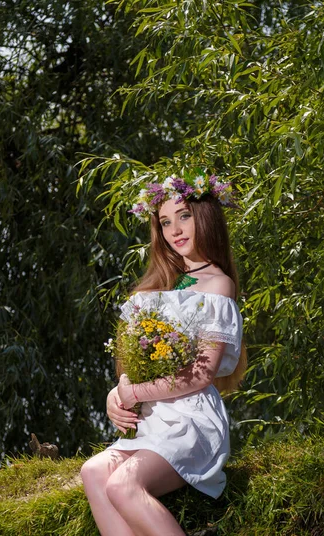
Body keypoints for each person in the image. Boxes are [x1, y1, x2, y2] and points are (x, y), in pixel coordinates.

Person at [81, 173, 246, 536]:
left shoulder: (218, 284)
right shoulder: (156, 287)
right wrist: (117, 394)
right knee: (93, 471)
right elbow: (130, 368)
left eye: (184, 215)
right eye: (166, 221)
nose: (175, 229)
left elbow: (202, 374)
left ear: (205, 216)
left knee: (123, 485)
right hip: (154, 419)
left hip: (190, 419)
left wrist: (135, 393)